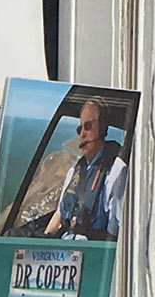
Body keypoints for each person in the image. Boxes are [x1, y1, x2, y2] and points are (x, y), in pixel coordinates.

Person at [48, 101, 127, 240]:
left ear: (102, 129)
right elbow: (59, 215)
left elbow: (114, 233)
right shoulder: (75, 170)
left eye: (88, 127)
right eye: (80, 129)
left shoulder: (116, 171)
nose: (82, 134)